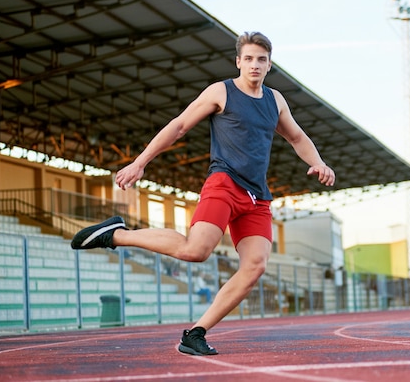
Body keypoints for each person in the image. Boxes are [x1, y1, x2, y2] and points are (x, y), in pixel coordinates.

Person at [70, 32, 335, 356]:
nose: (254, 65)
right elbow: (179, 126)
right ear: (238, 61)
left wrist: (319, 162)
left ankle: (195, 332)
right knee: (196, 250)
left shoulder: (275, 100)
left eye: (261, 60)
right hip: (224, 184)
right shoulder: (221, 92)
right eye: (248, 58)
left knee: (255, 266)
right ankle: (117, 235)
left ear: (269, 65)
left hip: (256, 198)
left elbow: (296, 137)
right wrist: (140, 163)